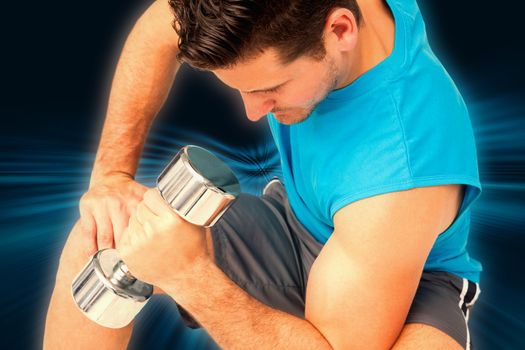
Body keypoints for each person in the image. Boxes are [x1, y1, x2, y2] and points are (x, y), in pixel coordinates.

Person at [43, 0, 483, 349]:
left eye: (267, 89)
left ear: (340, 30)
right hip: (300, 219)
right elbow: (162, 26)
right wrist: (112, 175)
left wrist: (190, 275)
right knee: (100, 240)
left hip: (406, 276)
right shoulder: (278, 12)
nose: (252, 113)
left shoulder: (403, 170)